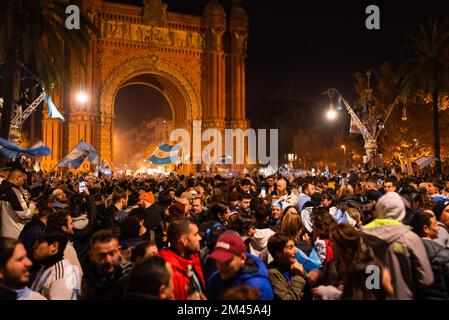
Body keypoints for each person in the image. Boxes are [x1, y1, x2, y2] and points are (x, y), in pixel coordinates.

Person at [361, 192, 434, 299]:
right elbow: (426, 278)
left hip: (371, 295)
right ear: (401, 211)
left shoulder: (364, 236)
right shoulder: (410, 238)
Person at [206, 230, 274, 300]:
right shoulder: (215, 279)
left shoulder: (259, 287)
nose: (221, 266)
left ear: (242, 258)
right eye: (218, 260)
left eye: (227, 261)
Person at [159, 217, 205, 300]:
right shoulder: (169, 272)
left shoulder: (192, 257)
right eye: (195, 234)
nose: (200, 238)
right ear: (183, 240)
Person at [408, 210, 449, 299]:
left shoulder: (406, 252)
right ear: (426, 228)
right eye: (435, 224)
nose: (438, 228)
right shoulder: (443, 254)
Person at [31, 227, 81, 300]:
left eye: (39, 242)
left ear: (54, 246)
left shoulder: (62, 276)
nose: (34, 246)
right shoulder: (46, 265)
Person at [81, 229, 132, 300]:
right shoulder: (89, 275)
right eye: (102, 255)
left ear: (119, 250)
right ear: (91, 256)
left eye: (112, 253)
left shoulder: (131, 275)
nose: (108, 260)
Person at [267, 233, 306, 300]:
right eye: (290, 248)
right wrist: (298, 276)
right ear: (279, 253)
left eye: (294, 247)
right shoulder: (273, 273)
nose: (295, 251)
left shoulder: (292, 266)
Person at [0, 168, 35, 239]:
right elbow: (25, 214)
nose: (23, 183)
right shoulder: (13, 190)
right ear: (17, 178)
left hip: (5, 231)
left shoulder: (2, 188)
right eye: (23, 180)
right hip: (16, 233)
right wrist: (32, 206)